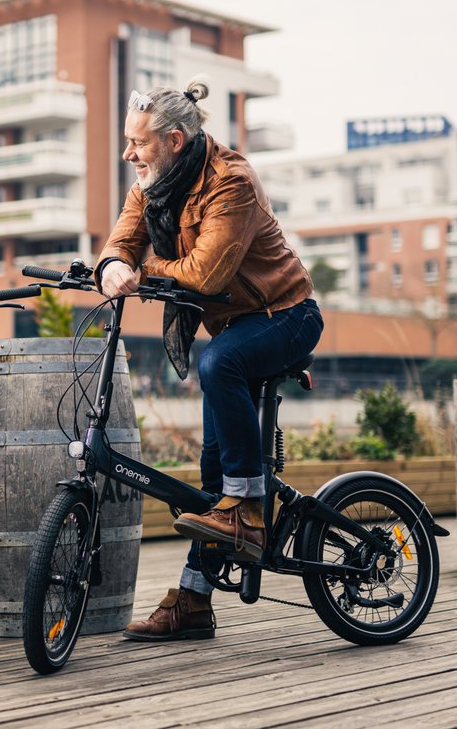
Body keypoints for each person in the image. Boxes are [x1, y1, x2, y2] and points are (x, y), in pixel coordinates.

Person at [96, 77, 323, 640]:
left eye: (138, 143)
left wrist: (143, 270)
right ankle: (195, 601)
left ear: (174, 140)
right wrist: (112, 265)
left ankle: (247, 510)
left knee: (219, 364)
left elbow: (205, 273)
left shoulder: (231, 182)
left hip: (286, 315)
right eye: (126, 142)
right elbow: (122, 240)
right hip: (236, 326)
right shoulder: (152, 185)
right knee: (211, 472)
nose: (128, 154)